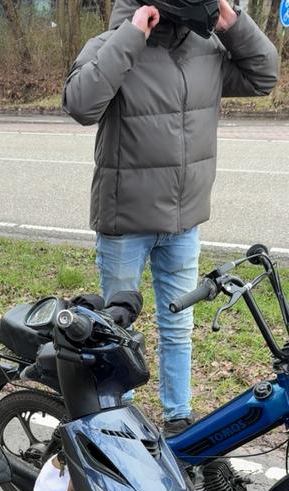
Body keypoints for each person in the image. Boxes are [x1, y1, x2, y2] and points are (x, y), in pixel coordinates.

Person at [63, 0, 279, 435]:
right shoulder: (113, 45)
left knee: (178, 326)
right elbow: (80, 104)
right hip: (126, 222)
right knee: (114, 332)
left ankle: (178, 418)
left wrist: (231, 22)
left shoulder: (206, 49)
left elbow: (264, 76)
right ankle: (116, 427)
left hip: (184, 221)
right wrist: (132, 35)